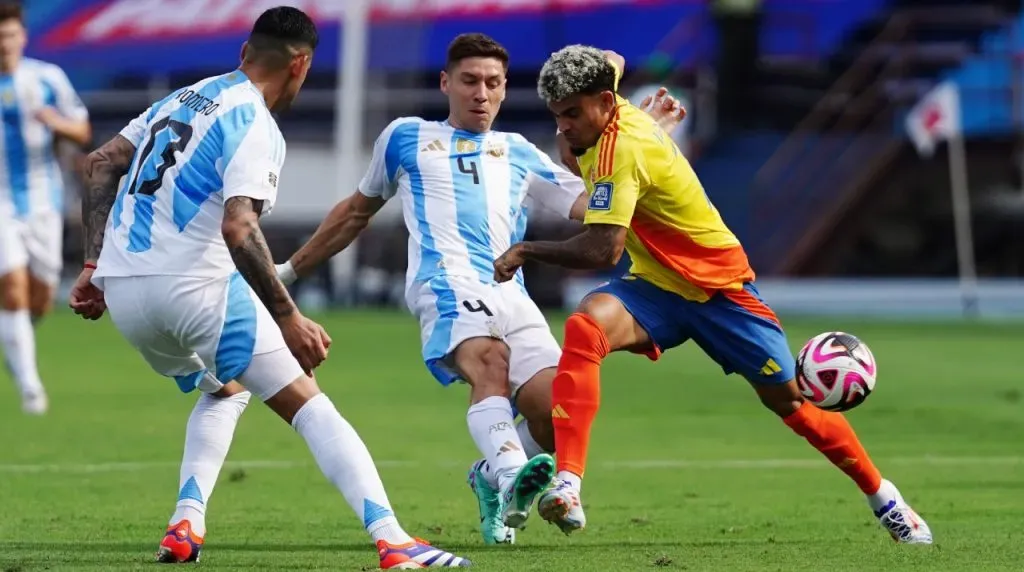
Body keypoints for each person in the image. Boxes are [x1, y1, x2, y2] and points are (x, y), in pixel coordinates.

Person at [68, 7, 469, 568]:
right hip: (195, 287)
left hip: (127, 295)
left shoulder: (185, 97)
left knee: (225, 390)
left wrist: (91, 264)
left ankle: (186, 521)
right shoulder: (255, 123)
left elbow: (100, 162)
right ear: (301, 65)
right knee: (310, 404)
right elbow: (240, 227)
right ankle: (394, 540)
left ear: (244, 53)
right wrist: (288, 317)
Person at [492, 44, 933, 545]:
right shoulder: (607, 103)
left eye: (572, 113)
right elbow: (613, 57)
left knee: (792, 405)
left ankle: (886, 498)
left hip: (720, 290)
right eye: (556, 115)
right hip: (657, 284)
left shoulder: (623, 151)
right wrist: (631, 113)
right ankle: (568, 483)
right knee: (585, 326)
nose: (564, 125)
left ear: (605, 103)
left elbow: (600, 250)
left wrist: (526, 249)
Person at [274, 33, 684, 545]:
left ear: (505, 89)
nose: (481, 93)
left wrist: (642, 138)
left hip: (511, 292)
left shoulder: (518, 152)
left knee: (558, 410)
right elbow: (355, 212)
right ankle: (514, 476)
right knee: (489, 362)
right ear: (446, 83)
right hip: (445, 283)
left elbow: (595, 204)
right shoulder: (406, 137)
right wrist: (288, 272)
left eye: (492, 83)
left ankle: (489, 477)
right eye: (469, 81)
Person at [0, 1, 91, 414]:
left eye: (11, 35)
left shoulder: (48, 78)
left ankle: (14, 342)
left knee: (40, 296)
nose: (5, 44)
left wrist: (57, 123)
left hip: (43, 200)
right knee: (12, 289)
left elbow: (82, 128)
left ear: (22, 36)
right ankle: (32, 389)